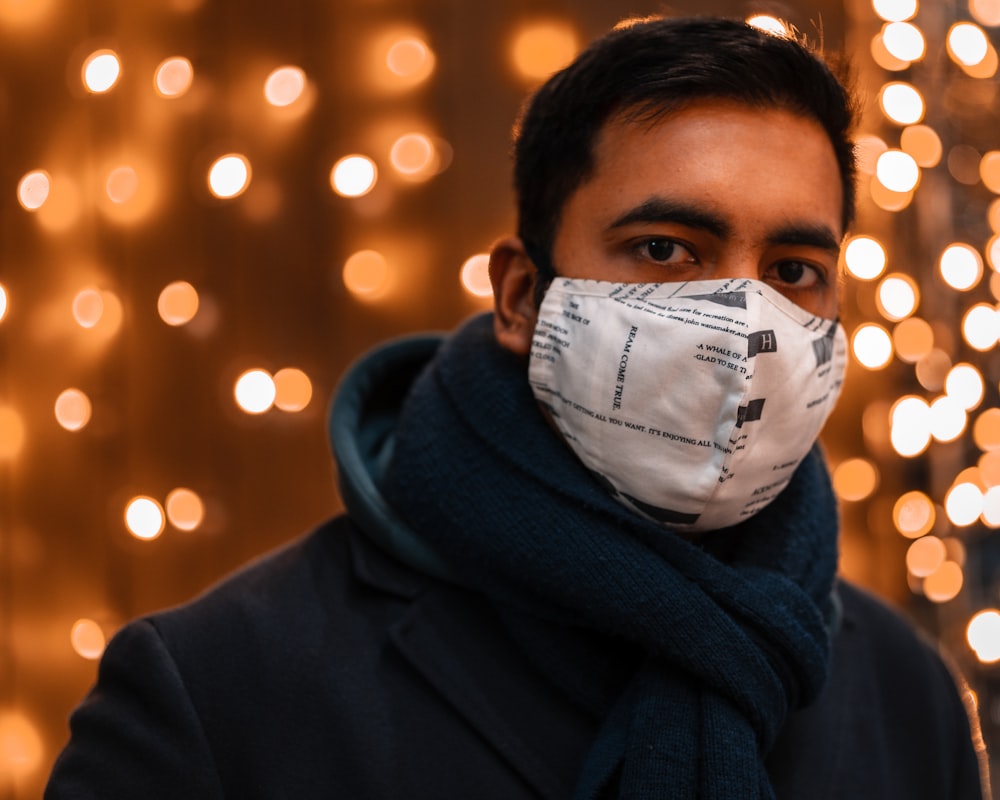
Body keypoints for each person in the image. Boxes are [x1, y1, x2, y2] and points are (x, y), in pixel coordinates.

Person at [46, 15, 986, 799]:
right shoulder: (218, 691)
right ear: (523, 297)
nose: (743, 321)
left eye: (792, 272)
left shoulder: (906, 693)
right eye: (666, 249)